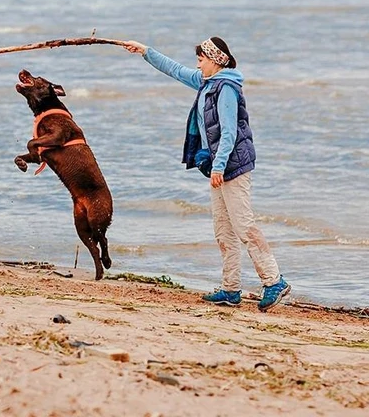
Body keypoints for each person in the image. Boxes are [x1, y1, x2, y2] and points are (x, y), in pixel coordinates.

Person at [123, 37, 291, 311]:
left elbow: (229, 132)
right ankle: (231, 289)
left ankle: (274, 281)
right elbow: (175, 70)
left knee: (244, 226)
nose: (197, 64)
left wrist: (218, 166)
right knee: (223, 230)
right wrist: (145, 51)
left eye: (201, 59)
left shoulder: (225, 89)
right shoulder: (207, 83)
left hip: (231, 166)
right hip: (219, 165)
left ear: (214, 60)